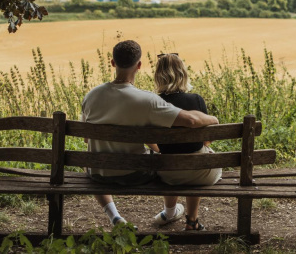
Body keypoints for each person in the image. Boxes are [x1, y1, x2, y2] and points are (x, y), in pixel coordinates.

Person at [81, 40, 219, 227]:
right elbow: (191, 121)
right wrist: (212, 119)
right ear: (139, 65)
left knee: (89, 163)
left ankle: (115, 217)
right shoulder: (146, 100)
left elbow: (86, 139)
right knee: (173, 161)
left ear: (113, 63)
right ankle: (176, 213)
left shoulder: (91, 96)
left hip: (97, 172)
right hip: (135, 173)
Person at [149, 53, 222, 231]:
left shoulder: (153, 103)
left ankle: (169, 212)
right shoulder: (195, 100)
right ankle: (192, 221)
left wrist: (161, 150)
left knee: (170, 160)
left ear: (158, 76)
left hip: (168, 174)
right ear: (183, 73)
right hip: (199, 173)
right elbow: (208, 138)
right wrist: (202, 147)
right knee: (200, 158)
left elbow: (148, 139)